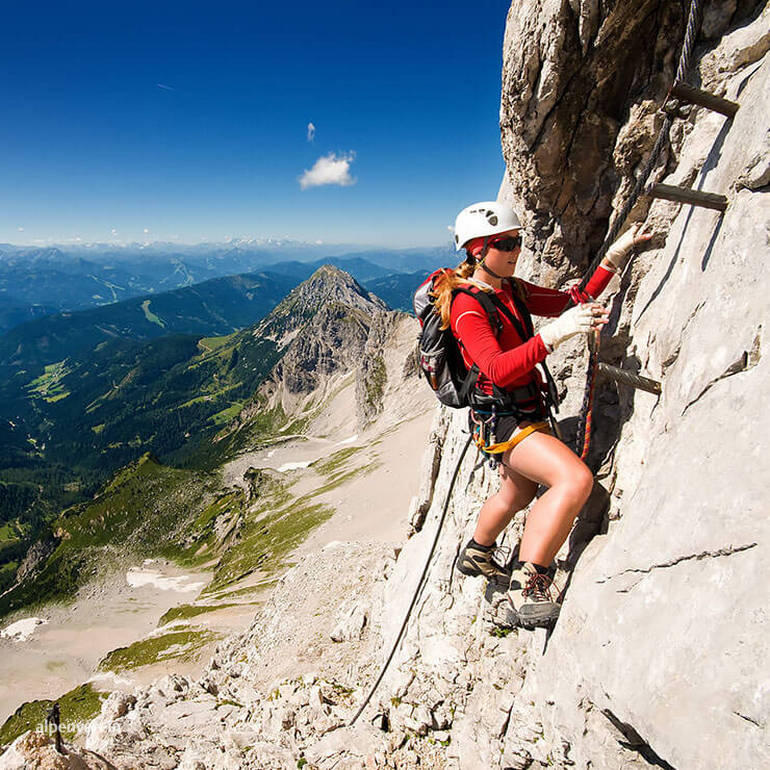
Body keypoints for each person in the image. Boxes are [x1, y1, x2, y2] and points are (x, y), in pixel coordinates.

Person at [435, 201, 651, 628]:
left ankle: (477, 552)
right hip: (505, 421)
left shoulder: (512, 290)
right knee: (574, 480)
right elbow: (496, 368)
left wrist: (614, 257)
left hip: (521, 411)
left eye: (517, 241)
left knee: (515, 495)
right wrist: (553, 336)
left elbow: (574, 298)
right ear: (478, 250)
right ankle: (527, 584)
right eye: (505, 243)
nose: (515, 249)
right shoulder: (467, 307)